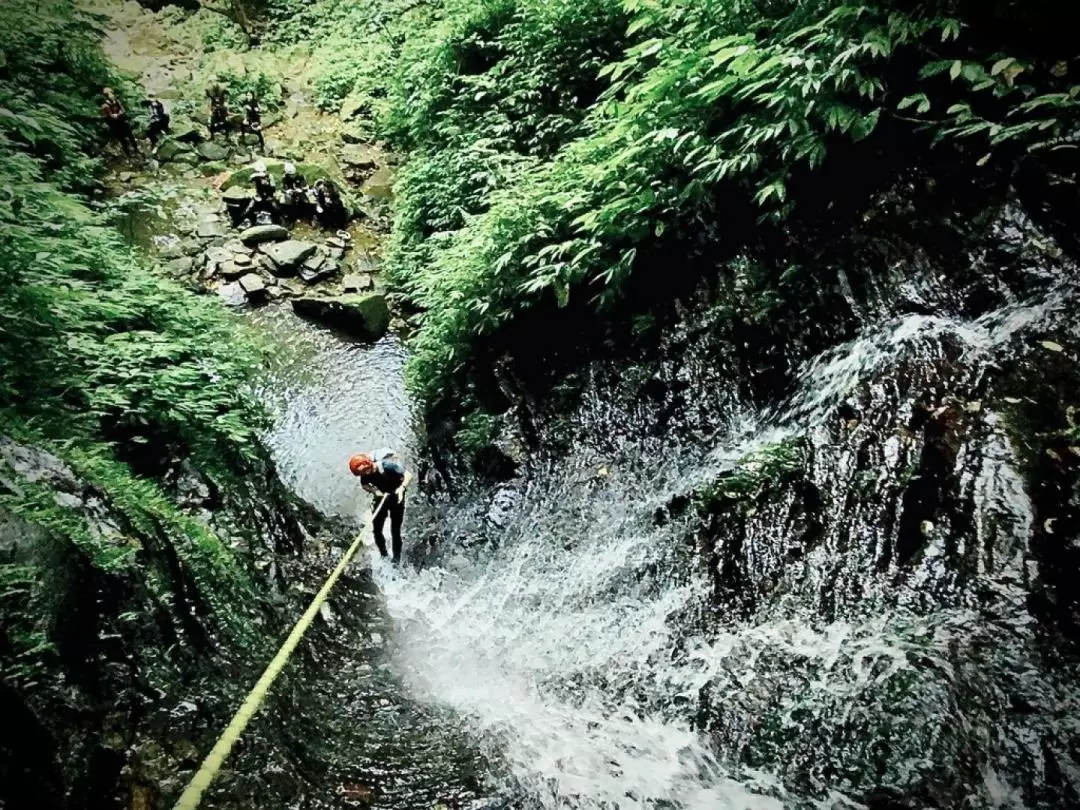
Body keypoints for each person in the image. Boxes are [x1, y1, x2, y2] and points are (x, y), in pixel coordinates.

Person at [349, 450, 412, 563]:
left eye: (365, 471)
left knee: (395, 530)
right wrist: (375, 491)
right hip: (381, 499)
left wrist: (402, 489)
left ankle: (396, 559)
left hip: (396, 497)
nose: (364, 474)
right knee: (377, 530)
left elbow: (407, 474)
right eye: (361, 473)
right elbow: (365, 485)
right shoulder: (364, 476)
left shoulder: (386, 466)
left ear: (369, 464)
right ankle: (384, 555)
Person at [101, 87, 138, 155]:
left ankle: (136, 149)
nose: (112, 95)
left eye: (112, 93)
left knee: (130, 135)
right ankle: (128, 153)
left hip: (122, 121)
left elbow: (123, 110)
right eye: (109, 94)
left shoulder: (117, 101)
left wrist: (118, 114)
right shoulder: (105, 106)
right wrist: (117, 115)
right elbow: (110, 116)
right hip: (115, 125)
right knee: (122, 140)